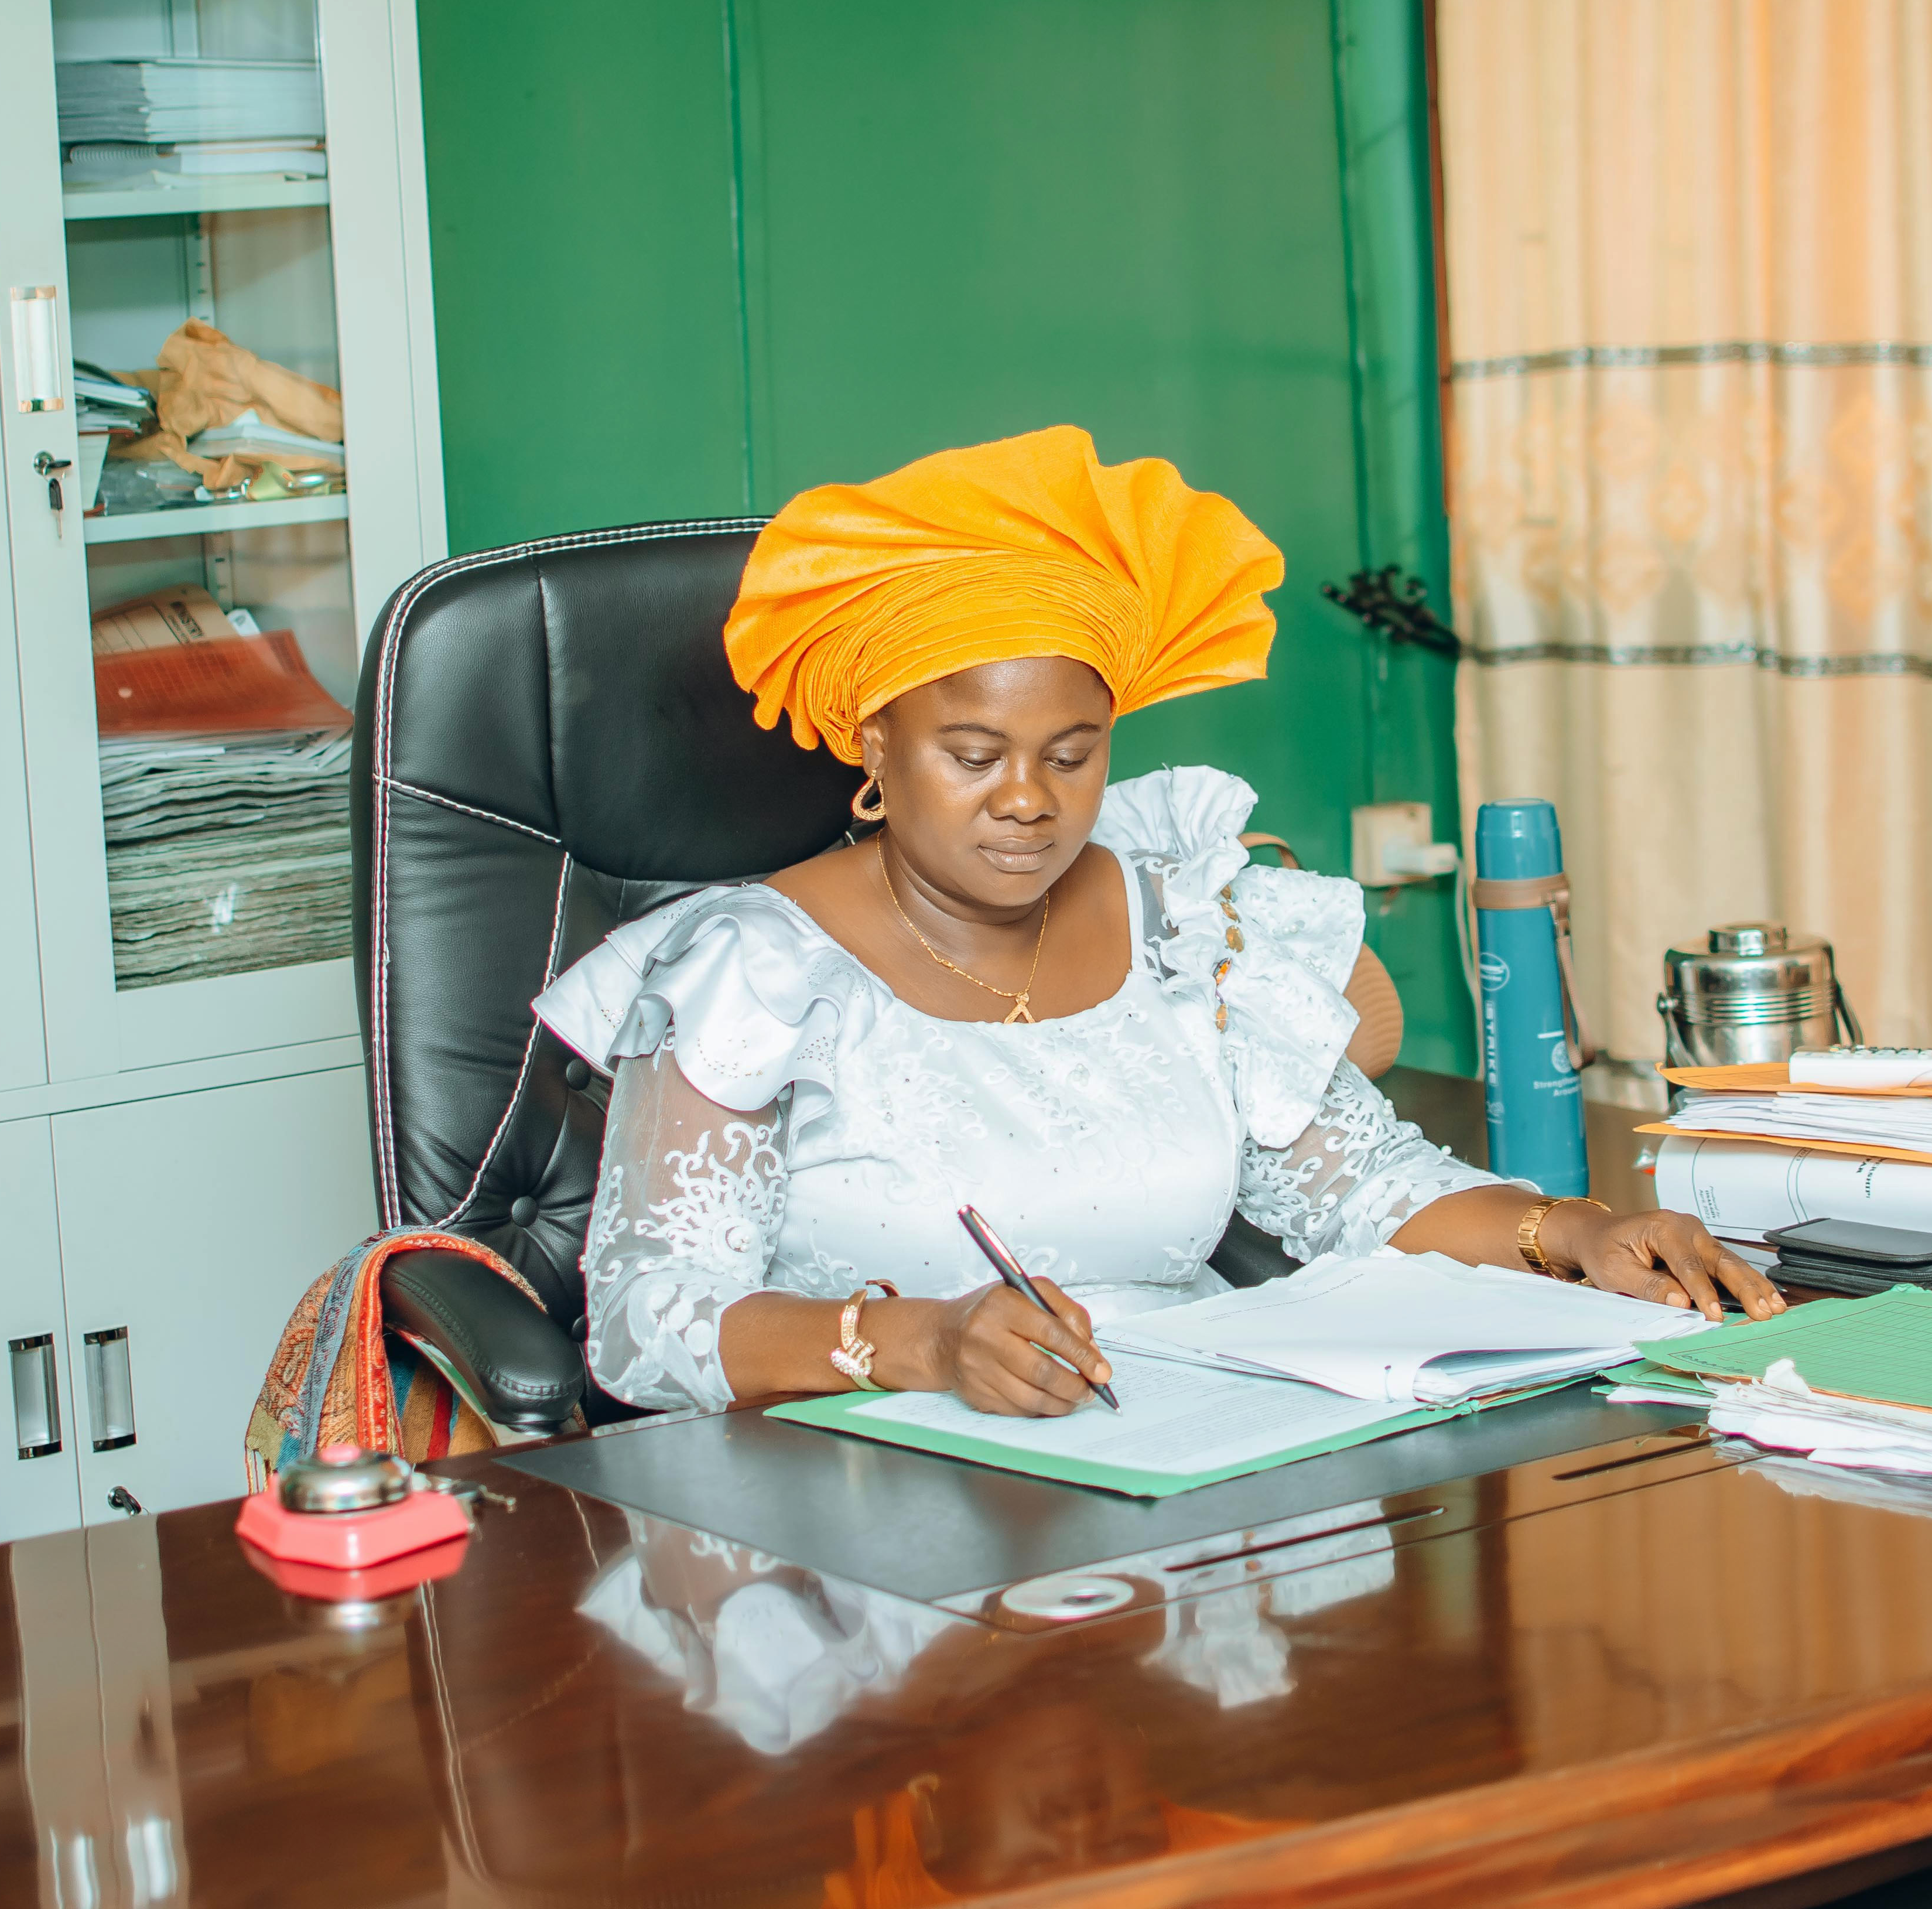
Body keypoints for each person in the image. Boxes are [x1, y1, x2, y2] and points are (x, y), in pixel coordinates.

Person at [535, 427, 1781, 1418]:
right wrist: (929, 1336)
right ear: (875, 745)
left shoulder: (1188, 921)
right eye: (973, 754)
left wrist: (1585, 1234)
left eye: (1071, 755)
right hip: (875, 1485)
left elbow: (1369, 1189)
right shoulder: (752, 969)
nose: (1028, 800)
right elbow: (649, 1326)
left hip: (1189, 1445)